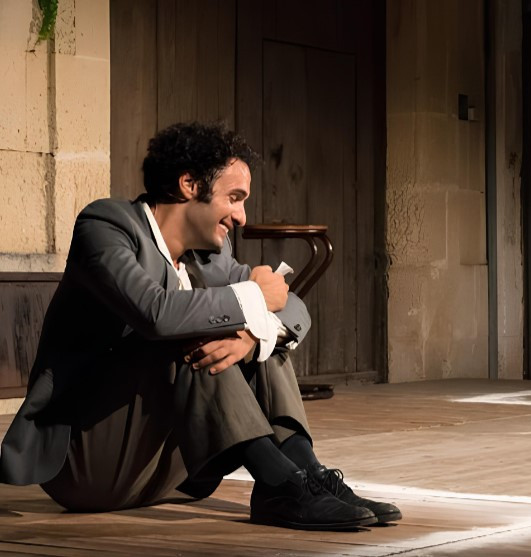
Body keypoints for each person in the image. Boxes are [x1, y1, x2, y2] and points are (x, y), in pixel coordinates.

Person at [0, 122, 401, 530]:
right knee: (196, 329)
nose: (242, 217)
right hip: (85, 464)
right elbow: (155, 313)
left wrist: (252, 335)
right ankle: (278, 481)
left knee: (260, 335)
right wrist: (252, 299)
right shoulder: (106, 226)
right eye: (234, 198)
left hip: (168, 471)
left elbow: (293, 308)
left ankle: (305, 475)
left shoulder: (207, 256)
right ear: (189, 184)